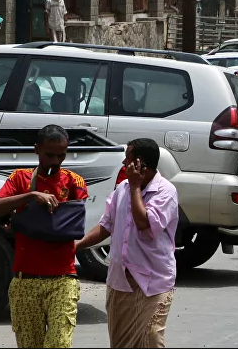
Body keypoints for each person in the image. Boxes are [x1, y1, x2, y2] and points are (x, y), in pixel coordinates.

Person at [0, 124, 88, 348]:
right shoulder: (20, 178)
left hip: (63, 280)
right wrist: (31, 195)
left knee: (58, 344)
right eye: (49, 155)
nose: (55, 161)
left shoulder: (74, 182)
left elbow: (74, 223)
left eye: (61, 155)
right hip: (25, 282)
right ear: (36, 150)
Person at [76, 138, 179, 348]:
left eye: (128, 159)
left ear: (139, 164)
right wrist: (78, 245)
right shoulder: (122, 188)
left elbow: (143, 223)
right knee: (120, 344)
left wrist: (134, 187)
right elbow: (106, 226)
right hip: (121, 281)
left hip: (153, 282)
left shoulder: (165, 192)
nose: (124, 163)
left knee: (151, 338)